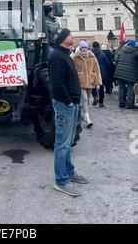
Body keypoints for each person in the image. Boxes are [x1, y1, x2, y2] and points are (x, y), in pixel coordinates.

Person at [49, 28, 88, 197]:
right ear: (63, 38)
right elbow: (57, 85)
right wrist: (70, 102)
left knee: (68, 143)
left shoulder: (65, 54)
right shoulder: (57, 57)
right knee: (62, 144)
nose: (73, 37)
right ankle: (61, 181)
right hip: (66, 105)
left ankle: (69, 172)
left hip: (72, 105)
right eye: (70, 35)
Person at [73, 40, 102, 128]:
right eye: (82, 47)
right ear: (80, 48)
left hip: (90, 81)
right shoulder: (75, 57)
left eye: (85, 47)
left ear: (88, 48)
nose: (84, 49)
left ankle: (85, 114)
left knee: (88, 100)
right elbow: (73, 70)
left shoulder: (92, 56)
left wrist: (98, 83)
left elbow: (97, 70)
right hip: (80, 82)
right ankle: (88, 119)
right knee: (84, 99)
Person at [114, 39, 138, 109]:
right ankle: (129, 104)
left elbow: (116, 59)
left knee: (121, 87)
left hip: (120, 72)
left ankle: (121, 103)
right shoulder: (136, 52)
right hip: (130, 74)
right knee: (130, 88)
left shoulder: (122, 51)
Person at [91, 42, 109, 108]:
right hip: (102, 73)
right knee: (101, 87)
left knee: (93, 85)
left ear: (93, 46)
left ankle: (95, 96)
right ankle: (101, 103)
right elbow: (107, 64)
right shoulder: (103, 54)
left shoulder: (90, 54)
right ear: (99, 46)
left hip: (92, 72)